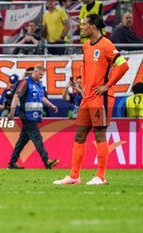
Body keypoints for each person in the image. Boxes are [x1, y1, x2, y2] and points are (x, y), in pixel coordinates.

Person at [53, 14, 129, 185]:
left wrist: (107, 85)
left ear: (94, 26)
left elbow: (123, 65)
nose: (82, 27)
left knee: (99, 134)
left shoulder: (107, 45)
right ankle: (74, 176)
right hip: (87, 98)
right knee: (79, 135)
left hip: (100, 98)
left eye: (84, 24)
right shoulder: (86, 46)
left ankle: (100, 177)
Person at [7, 65, 60, 169]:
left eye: (42, 75)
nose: (41, 77)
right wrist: (12, 112)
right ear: (35, 72)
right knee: (37, 138)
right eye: (40, 74)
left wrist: (51, 105)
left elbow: (42, 97)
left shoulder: (39, 84)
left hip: (34, 115)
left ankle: (12, 162)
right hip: (26, 115)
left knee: (22, 141)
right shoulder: (25, 82)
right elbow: (16, 96)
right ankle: (46, 161)